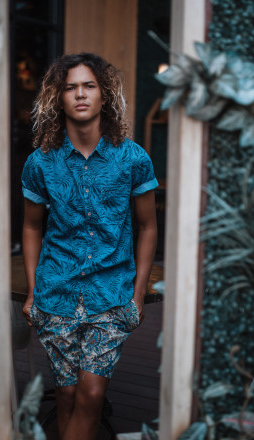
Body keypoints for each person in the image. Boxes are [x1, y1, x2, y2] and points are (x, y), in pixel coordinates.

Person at [21, 52, 158, 440]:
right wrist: (32, 291)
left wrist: (138, 295)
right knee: (66, 395)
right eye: (70, 87)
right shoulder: (40, 163)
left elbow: (148, 226)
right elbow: (31, 227)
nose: (80, 94)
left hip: (111, 295)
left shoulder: (133, 159)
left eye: (89, 86)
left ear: (104, 95)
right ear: (59, 98)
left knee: (92, 393)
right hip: (56, 291)